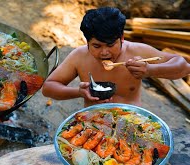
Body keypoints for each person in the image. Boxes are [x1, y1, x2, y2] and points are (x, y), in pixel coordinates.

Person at [42, 7, 190, 107]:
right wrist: (79, 92)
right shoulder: (79, 56)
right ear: (87, 42)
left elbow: (183, 67)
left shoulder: (137, 51)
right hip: (93, 120)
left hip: (132, 119)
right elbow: (48, 88)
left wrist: (150, 70)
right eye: (97, 46)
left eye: (110, 44)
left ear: (122, 38)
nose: (104, 52)